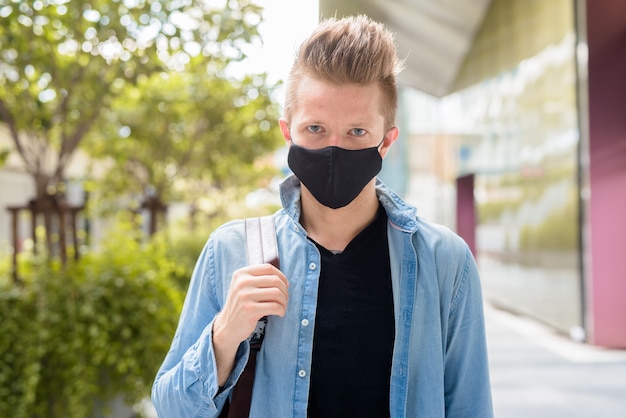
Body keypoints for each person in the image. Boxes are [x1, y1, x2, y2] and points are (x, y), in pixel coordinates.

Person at [152, 14, 493, 418]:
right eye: (315, 128)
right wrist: (224, 335)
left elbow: (470, 407)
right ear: (287, 133)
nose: (334, 148)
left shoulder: (445, 262)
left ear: (387, 141)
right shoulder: (232, 251)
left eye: (357, 133)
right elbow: (172, 409)